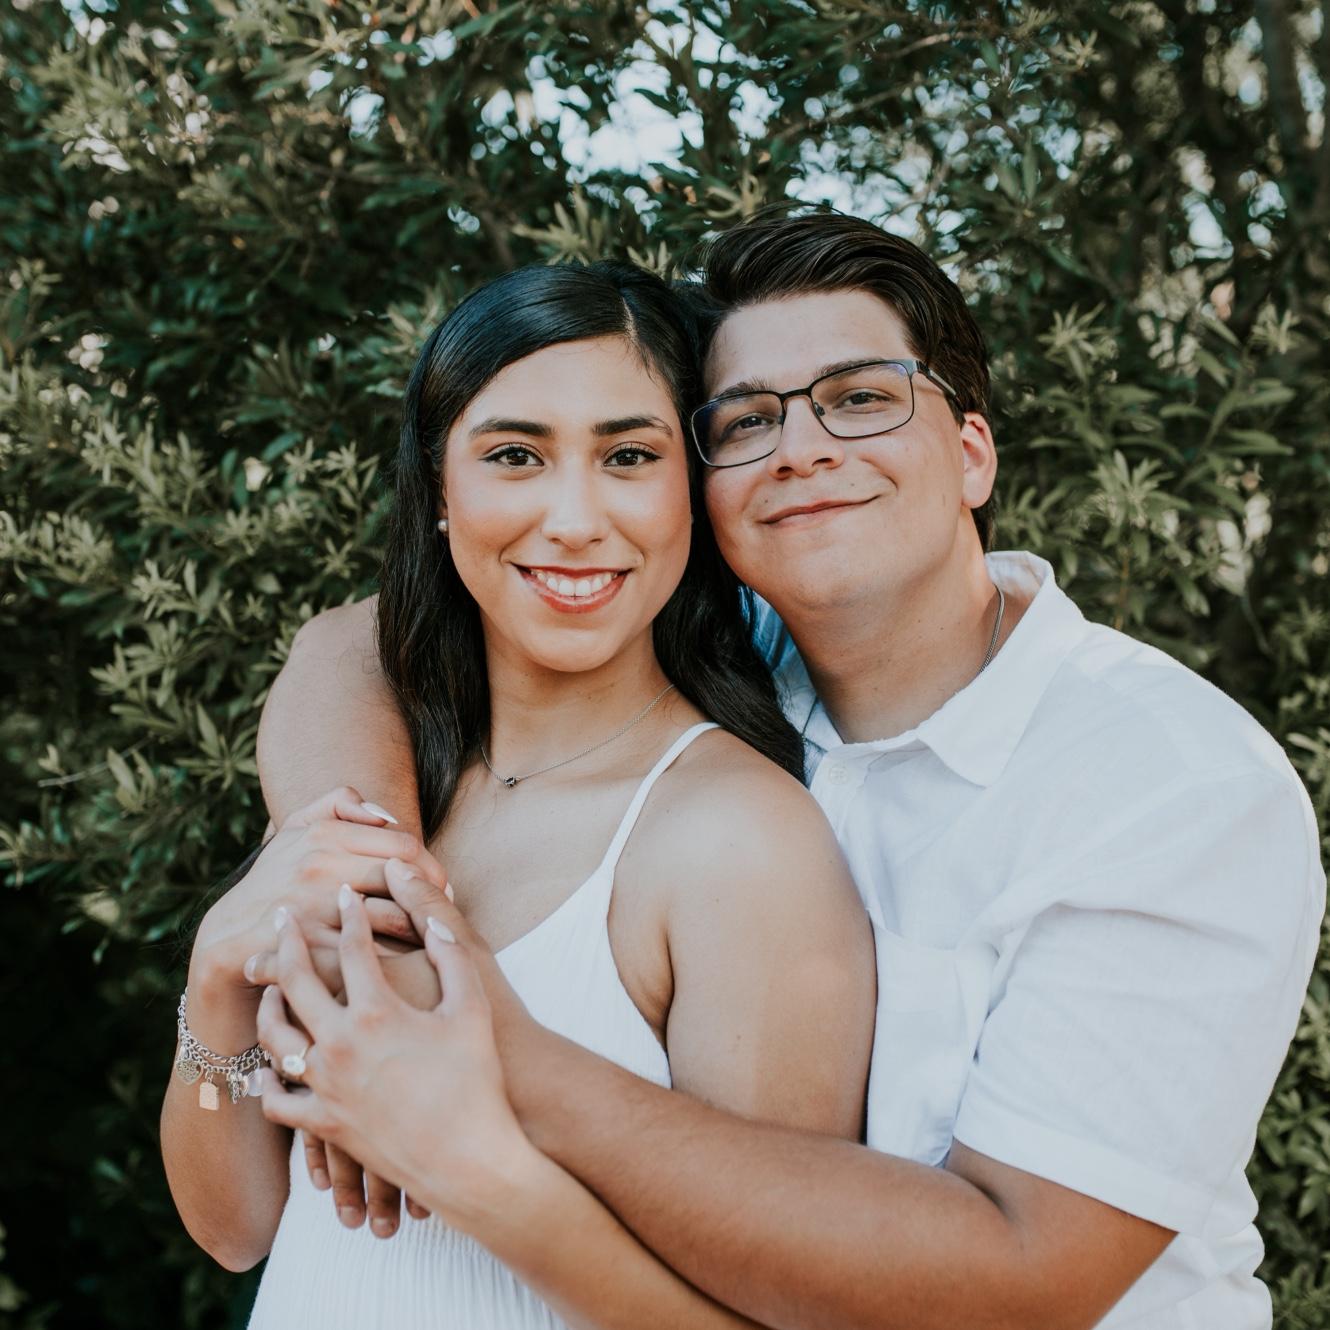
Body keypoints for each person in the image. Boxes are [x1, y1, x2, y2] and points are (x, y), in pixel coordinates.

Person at [252, 208, 1326, 1330]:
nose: (802, 448)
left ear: (971, 454)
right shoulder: (725, 663)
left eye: (860, 398)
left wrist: (492, 1054)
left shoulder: (1170, 786)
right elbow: (352, 646)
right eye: (749, 420)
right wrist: (369, 901)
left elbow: (1024, 1276)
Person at [160, 259, 877, 1328]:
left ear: (689, 490)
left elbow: (783, 1307)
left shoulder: (737, 839)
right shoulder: (384, 782)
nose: (575, 518)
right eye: (513, 456)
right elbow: (235, 1230)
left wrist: (471, 1162)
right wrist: (217, 979)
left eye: (629, 456)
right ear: (440, 493)